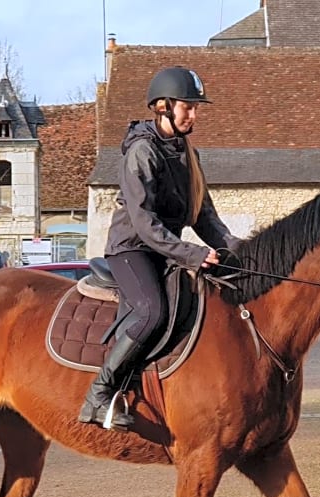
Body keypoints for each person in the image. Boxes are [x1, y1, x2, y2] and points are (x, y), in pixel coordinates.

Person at [78, 66, 240, 431]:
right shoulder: (141, 151)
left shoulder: (187, 154)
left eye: (197, 108)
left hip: (165, 251)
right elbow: (144, 223)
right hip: (132, 250)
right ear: (164, 106)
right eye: (188, 107)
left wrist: (241, 250)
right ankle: (100, 392)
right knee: (152, 311)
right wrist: (193, 254)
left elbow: (205, 217)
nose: (194, 115)